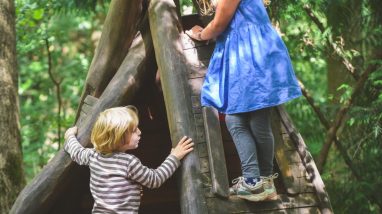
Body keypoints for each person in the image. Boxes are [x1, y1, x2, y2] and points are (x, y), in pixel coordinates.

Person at [186, 0, 301, 202]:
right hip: (253, 53)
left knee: (235, 120)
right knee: (258, 121)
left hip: (250, 56)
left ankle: (253, 181)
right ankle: (263, 183)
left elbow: (219, 24)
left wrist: (199, 34)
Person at [64, 106, 194, 213]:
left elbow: (76, 152)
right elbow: (155, 179)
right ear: (118, 137)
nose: (139, 132)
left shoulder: (93, 156)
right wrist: (175, 157)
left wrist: (70, 136)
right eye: (133, 130)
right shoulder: (128, 162)